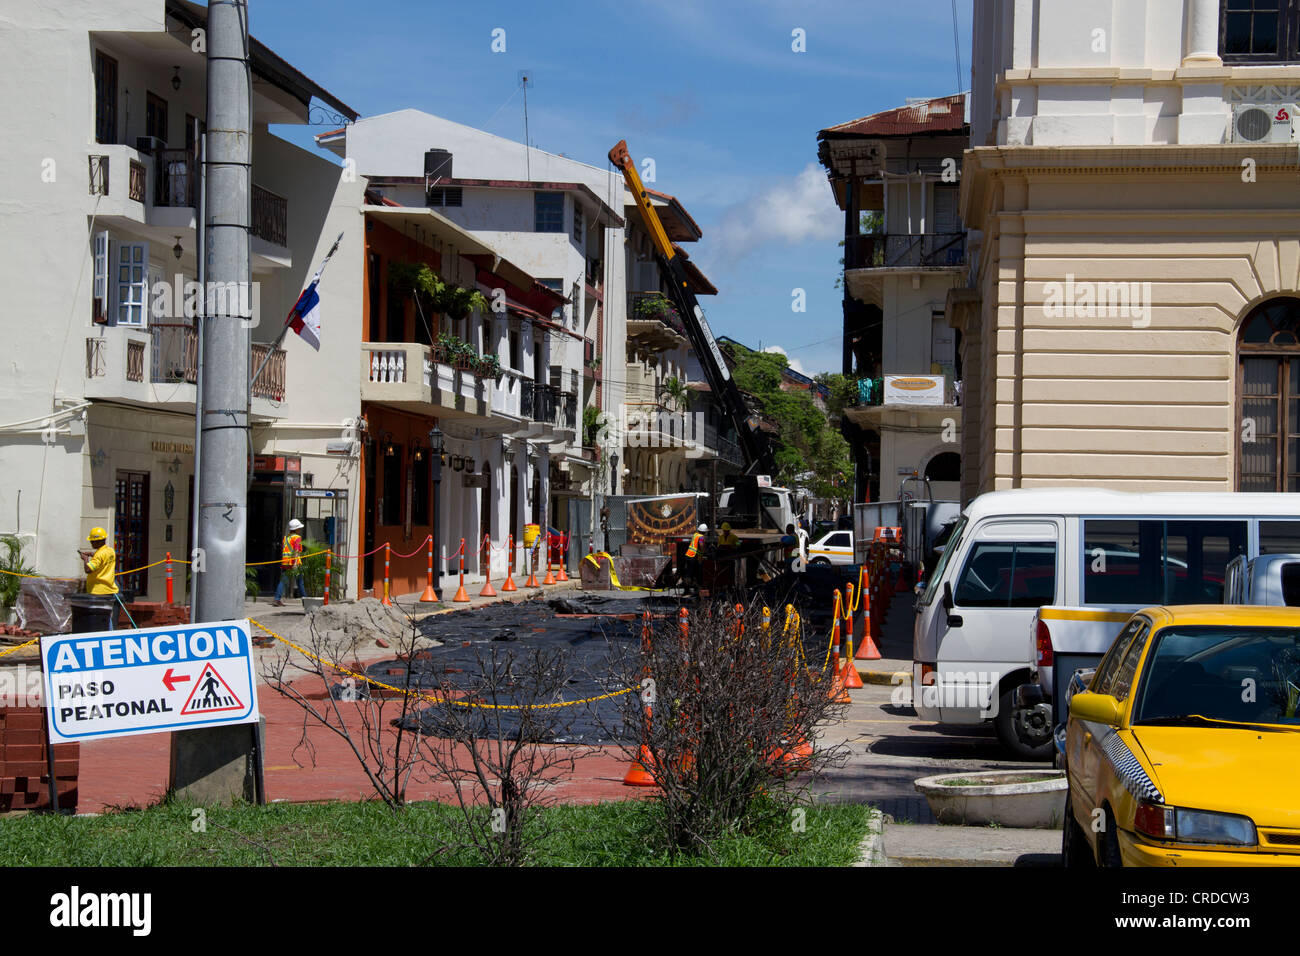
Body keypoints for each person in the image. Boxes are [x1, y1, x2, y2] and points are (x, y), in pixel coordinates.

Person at [79, 528, 119, 629]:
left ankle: (106, 634)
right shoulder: (110, 551)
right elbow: (102, 557)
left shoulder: (99, 555)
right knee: (107, 616)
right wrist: (92, 554)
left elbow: (88, 569)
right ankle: (109, 633)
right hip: (109, 589)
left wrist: (85, 559)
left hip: (98, 591)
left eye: (92, 541)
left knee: (100, 617)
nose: (91, 543)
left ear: (98, 541)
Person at [273, 518, 305, 606]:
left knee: (283, 581)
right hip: (295, 563)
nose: (300, 530)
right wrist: (295, 563)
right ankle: (305, 601)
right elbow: (296, 550)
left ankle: (277, 599)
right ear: (296, 529)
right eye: (299, 528)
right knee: (300, 582)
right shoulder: (297, 538)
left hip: (285, 563)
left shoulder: (286, 537)